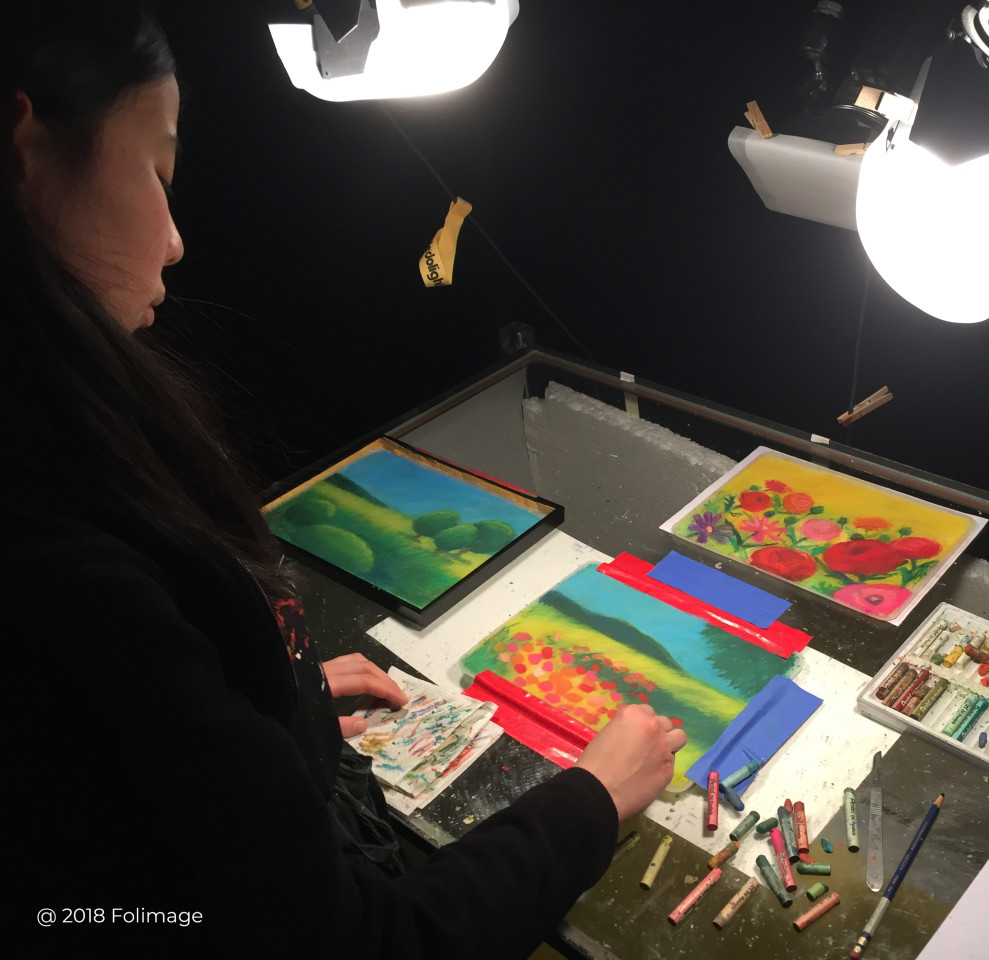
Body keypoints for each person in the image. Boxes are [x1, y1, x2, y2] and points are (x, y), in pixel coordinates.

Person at [2, 4, 686, 953]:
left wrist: (266, 707)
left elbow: (134, 757)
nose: (175, 240)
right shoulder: (59, 556)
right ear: (27, 151)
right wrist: (594, 799)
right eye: (157, 173)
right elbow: (359, 942)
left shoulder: (58, 443)